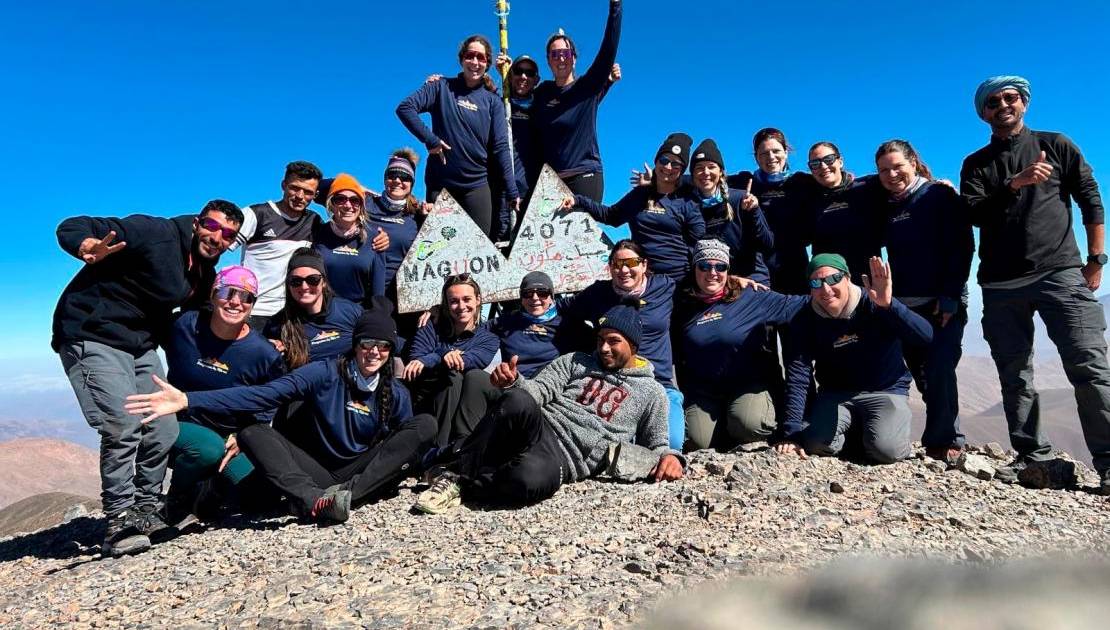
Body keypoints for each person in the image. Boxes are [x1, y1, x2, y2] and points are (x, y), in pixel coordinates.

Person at [127, 302, 436, 523]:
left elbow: (401, 445)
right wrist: (188, 400)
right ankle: (314, 500)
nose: (375, 352)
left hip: (357, 473)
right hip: (313, 471)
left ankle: (341, 498)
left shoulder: (395, 393)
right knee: (252, 433)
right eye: (367, 343)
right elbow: (263, 395)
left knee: (424, 424)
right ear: (356, 345)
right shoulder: (325, 372)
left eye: (383, 346)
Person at [53, 199, 243, 556]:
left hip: (140, 347)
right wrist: (87, 246)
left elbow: (203, 311)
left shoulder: (202, 272)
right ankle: (118, 520)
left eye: (228, 235)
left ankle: (146, 511)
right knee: (122, 425)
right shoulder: (156, 233)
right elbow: (74, 224)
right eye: (213, 227)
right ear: (198, 222)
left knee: (163, 428)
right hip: (92, 334)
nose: (218, 238)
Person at [960, 75, 1110, 492]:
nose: (1003, 105)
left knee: (1090, 367)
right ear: (984, 113)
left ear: (1023, 102)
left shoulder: (1056, 143)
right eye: (993, 101)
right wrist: (1014, 183)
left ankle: (1109, 462)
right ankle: (1033, 458)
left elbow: (1091, 199)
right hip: (1002, 284)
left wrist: (1096, 259)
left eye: (1010, 98)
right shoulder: (977, 164)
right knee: (1015, 373)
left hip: (1060, 273)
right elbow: (973, 213)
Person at [414, 304, 684, 514]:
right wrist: (515, 381)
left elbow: (657, 444)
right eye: (600, 339)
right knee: (516, 399)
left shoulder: (652, 393)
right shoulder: (576, 361)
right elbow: (539, 391)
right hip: (540, 425)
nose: (603, 348)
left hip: (564, 459)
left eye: (613, 341)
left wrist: (673, 458)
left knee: (527, 483)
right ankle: (455, 476)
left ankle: (462, 471)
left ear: (633, 346)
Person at [775, 255, 933, 465]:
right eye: (816, 282)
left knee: (886, 451)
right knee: (815, 444)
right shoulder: (806, 318)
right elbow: (798, 376)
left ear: (847, 278)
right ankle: (860, 431)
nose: (826, 289)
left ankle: (875, 433)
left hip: (885, 390)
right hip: (835, 394)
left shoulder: (874, 302)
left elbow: (925, 336)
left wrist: (889, 305)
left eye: (833, 279)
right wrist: (792, 433)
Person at [876, 139, 975, 463]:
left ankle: (945, 441)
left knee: (940, 365)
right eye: (884, 170)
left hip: (940, 303)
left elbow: (962, 248)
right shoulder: (887, 205)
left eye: (897, 167)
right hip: (905, 305)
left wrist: (949, 297)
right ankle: (945, 436)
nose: (891, 175)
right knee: (922, 373)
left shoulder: (939, 196)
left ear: (914, 162)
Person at [162, 266, 284, 526]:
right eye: (228, 292)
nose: (236, 302)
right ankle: (176, 501)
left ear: (253, 305)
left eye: (246, 297)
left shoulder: (263, 355)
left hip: (229, 438)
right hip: (178, 426)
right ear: (213, 294)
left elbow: (270, 401)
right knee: (206, 448)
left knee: (263, 498)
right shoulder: (185, 326)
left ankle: (208, 488)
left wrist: (244, 436)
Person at [674, 240, 808, 450]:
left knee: (748, 426)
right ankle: (724, 428)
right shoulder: (683, 304)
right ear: (694, 269)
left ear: (728, 270)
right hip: (705, 392)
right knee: (697, 441)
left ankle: (746, 422)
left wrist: (849, 297)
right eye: (704, 266)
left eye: (720, 267)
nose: (712, 272)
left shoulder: (751, 296)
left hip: (749, 385)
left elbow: (798, 305)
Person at [558, 240, 684, 448]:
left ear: (644, 265)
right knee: (602, 445)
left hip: (659, 383)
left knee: (671, 444)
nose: (623, 270)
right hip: (610, 382)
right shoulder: (597, 293)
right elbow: (562, 310)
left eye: (631, 262)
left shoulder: (665, 287)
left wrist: (737, 280)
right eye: (616, 264)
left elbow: (703, 291)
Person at [396, 34, 519, 238]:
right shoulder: (440, 87)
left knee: (478, 251)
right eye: (470, 56)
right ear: (462, 59)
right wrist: (431, 140)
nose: (475, 62)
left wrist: (512, 189)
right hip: (441, 185)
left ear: (487, 64)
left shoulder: (493, 101)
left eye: (481, 58)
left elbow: (501, 147)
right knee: (442, 247)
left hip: (477, 186)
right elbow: (405, 108)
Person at [447, 272, 579, 444]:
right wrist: (440, 315)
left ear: (552, 296)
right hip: (509, 385)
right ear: (521, 297)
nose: (535, 298)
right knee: (475, 377)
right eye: (528, 293)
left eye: (542, 293)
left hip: (547, 392)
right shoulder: (507, 322)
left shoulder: (567, 324)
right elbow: (471, 332)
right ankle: (462, 446)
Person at [566, 133, 705, 281]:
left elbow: (699, 239)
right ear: (656, 162)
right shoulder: (639, 195)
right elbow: (610, 216)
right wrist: (579, 200)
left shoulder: (688, 201)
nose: (668, 167)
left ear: (682, 170)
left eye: (676, 164)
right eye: (664, 160)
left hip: (678, 279)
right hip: (643, 278)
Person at [532, 0, 623, 201]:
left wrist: (615, 7)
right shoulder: (542, 93)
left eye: (565, 54)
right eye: (555, 55)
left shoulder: (587, 87)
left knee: (582, 234)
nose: (560, 59)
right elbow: (515, 99)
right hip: (550, 182)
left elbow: (608, 50)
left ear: (574, 58)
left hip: (585, 177)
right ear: (548, 60)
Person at [403, 274, 499, 447]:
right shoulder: (430, 325)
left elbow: (468, 361)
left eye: (467, 299)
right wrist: (443, 353)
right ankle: (440, 449)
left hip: (464, 403)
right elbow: (416, 359)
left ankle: (460, 444)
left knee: (463, 376)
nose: (461, 306)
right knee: (451, 378)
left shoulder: (488, 339)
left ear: (478, 300)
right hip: (427, 397)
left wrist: (436, 355)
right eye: (454, 301)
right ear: (446, 304)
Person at [234, 161, 322, 330]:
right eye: (294, 188)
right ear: (283, 185)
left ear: (315, 194)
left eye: (308, 192)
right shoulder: (256, 214)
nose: (300, 196)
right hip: (254, 311)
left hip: (293, 314)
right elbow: (218, 246)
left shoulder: (314, 222)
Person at [728, 128, 814, 295]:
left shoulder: (801, 182)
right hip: (757, 269)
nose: (771, 157)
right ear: (756, 157)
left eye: (776, 151)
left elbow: (831, 183)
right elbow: (711, 178)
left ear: (786, 152)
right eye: (764, 153)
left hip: (795, 266)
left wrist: (846, 178)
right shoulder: (745, 182)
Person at [689, 138, 774, 283]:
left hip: (752, 280)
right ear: (692, 175)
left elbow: (768, 243)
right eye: (699, 168)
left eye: (711, 167)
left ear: (721, 172)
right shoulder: (688, 206)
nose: (705, 172)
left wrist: (754, 212)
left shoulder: (740, 199)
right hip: (713, 281)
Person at [264, 248, 363, 370]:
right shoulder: (277, 325)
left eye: (312, 280)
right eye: (296, 281)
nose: (304, 286)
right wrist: (270, 352)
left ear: (324, 282)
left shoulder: (350, 312)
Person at [804, 142, 884, 285]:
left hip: (869, 281)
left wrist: (935, 187)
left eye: (829, 159)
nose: (823, 166)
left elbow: (902, 182)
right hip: (830, 285)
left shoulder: (868, 187)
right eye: (815, 163)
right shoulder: (808, 199)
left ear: (840, 161)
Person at [313, 173, 386, 308]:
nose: (348, 205)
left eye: (354, 200)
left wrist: (377, 316)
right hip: (322, 313)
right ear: (331, 204)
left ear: (361, 206)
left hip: (358, 315)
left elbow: (378, 292)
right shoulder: (317, 233)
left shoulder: (375, 237)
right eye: (340, 199)